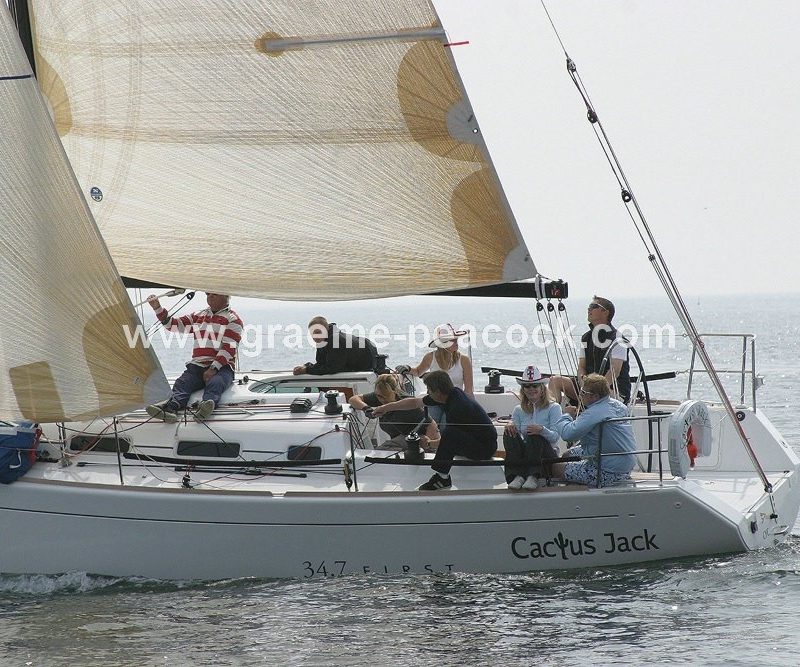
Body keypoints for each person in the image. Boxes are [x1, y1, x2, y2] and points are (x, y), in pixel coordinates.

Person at [373, 370, 496, 491]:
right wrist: (385, 408)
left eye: (429, 390)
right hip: (474, 439)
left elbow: (449, 440)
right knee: (449, 433)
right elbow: (415, 402)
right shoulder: (450, 394)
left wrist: (428, 443)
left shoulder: (458, 407)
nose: (427, 393)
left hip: (484, 449)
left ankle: (442, 478)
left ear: (437, 392)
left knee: (449, 433)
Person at [145, 292, 243, 421]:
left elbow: (228, 348)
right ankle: (172, 408)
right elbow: (173, 325)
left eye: (214, 294)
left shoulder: (233, 319)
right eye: (208, 294)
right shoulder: (199, 316)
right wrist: (157, 307)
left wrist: (213, 368)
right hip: (197, 365)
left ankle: (206, 407)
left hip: (222, 367)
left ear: (226, 296)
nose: (210, 296)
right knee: (183, 383)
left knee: (216, 383)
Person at [550, 374, 637, 487]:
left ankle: (575, 489)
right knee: (568, 454)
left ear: (595, 396)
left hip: (608, 470)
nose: (580, 395)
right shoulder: (618, 405)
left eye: (583, 393)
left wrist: (566, 415)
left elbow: (568, 434)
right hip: (621, 460)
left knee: (555, 467)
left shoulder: (595, 412)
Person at [549, 296, 631, 406]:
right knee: (555, 381)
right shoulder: (586, 338)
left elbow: (614, 371)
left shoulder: (618, 339)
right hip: (588, 390)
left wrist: (593, 390)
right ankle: (553, 418)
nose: (589, 309)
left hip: (611, 391)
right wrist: (583, 383)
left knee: (595, 394)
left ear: (605, 312)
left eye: (593, 306)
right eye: (589, 307)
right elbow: (581, 366)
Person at [504, 365, 562, 490]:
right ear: (523, 389)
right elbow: (517, 439)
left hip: (547, 456)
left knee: (535, 433)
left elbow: (555, 437)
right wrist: (510, 425)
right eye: (527, 386)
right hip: (526, 455)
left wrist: (541, 430)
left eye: (535, 386)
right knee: (509, 432)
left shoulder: (554, 407)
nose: (531, 389)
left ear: (542, 388)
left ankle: (533, 475)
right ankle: (517, 476)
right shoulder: (518, 410)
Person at [348, 374, 437, 449]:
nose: (382, 399)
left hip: (417, 440)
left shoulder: (407, 403)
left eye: (386, 396)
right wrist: (366, 408)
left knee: (380, 452)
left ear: (395, 392)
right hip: (398, 441)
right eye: (379, 396)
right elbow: (353, 399)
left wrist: (427, 448)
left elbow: (432, 425)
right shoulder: (378, 397)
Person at [293, 316, 378, 375]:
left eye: (318, 332)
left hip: (366, 362)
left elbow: (332, 368)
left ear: (326, 329)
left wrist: (307, 370)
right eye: (312, 333)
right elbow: (321, 363)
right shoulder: (323, 340)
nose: (315, 336)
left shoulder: (335, 340)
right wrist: (306, 366)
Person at [408, 323, 474, 396]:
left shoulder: (464, 360)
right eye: (452, 340)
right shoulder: (430, 357)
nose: (456, 342)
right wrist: (407, 369)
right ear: (443, 344)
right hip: (436, 400)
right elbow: (418, 372)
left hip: (457, 400)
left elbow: (468, 390)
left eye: (456, 339)